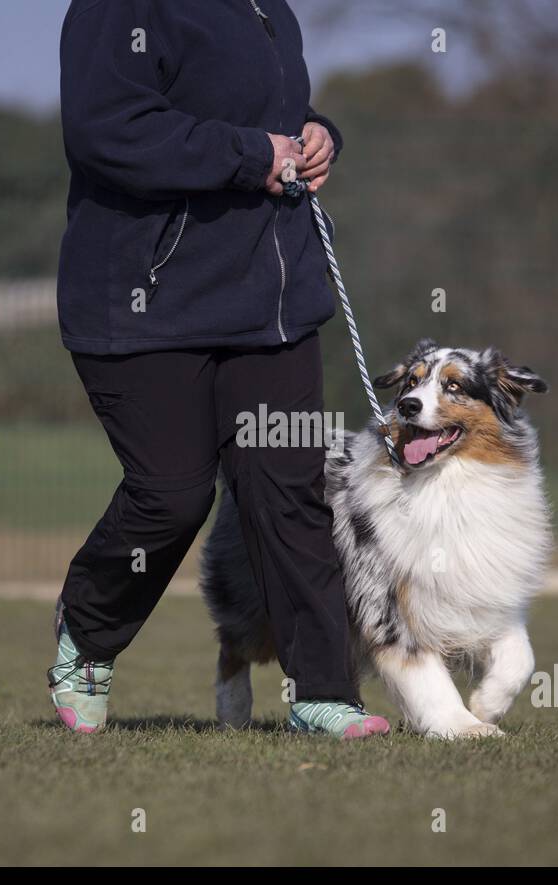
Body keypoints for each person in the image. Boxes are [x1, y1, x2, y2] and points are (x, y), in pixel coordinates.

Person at [48, 0, 390, 739]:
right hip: (145, 302)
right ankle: (88, 631)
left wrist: (318, 135)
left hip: (272, 309)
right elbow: (107, 129)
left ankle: (323, 694)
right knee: (170, 494)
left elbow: (266, 109)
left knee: (289, 493)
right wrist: (250, 156)